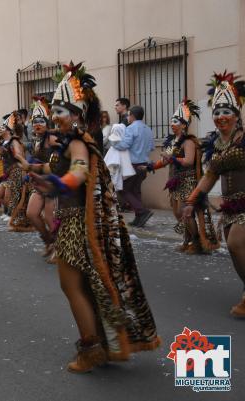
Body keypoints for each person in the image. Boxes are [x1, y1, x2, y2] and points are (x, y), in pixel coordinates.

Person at [28, 62, 160, 372]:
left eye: (61, 111)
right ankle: (103, 342)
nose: (54, 117)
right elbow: (63, 167)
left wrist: (59, 182)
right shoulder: (69, 142)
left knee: (71, 285)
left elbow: (79, 171)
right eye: (54, 111)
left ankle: (91, 349)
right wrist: (38, 169)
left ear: (75, 114)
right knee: (84, 286)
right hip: (72, 221)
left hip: (76, 224)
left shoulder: (78, 142)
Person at [183, 72, 245, 317]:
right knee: (234, 250)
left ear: (237, 115)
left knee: (235, 243)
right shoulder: (216, 145)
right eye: (217, 113)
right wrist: (191, 201)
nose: (221, 117)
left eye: (226, 112)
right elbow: (209, 177)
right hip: (229, 207)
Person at [148, 99, 219, 254]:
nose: (172, 124)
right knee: (177, 213)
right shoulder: (173, 142)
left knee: (184, 212)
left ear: (184, 125)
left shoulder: (188, 142)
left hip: (188, 181)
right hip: (175, 181)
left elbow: (188, 161)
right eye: (171, 121)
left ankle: (197, 242)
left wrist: (172, 158)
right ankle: (187, 240)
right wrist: (151, 166)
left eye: (175, 121)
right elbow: (164, 160)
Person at [21, 96, 57, 259]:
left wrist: (32, 167)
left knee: (50, 218)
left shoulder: (52, 138)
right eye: (35, 121)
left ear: (48, 122)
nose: (37, 124)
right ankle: (49, 242)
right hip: (39, 182)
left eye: (41, 121)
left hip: (53, 183)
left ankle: (59, 247)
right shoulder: (37, 140)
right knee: (32, 213)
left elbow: (57, 163)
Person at [112, 105, 155, 227]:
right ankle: (139, 218)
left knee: (124, 190)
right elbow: (151, 147)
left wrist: (113, 143)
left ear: (133, 116)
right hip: (145, 165)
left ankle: (142, 211)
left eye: (129, 115)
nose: (127, 117)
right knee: (136, 190)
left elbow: (124, 145)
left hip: (133, 165)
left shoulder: (131, 128)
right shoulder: (148, 129)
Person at [0, 111, 33, 231]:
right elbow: (1, 156)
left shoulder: (14, 141)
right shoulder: (5, 142)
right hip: (8, 174)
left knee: (12, 198)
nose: (0, 129)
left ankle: (15, 215)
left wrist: (18, 157)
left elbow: (20, 156)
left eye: (3, 127)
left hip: (16, 172)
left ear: (9, 130)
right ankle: (14, 213)